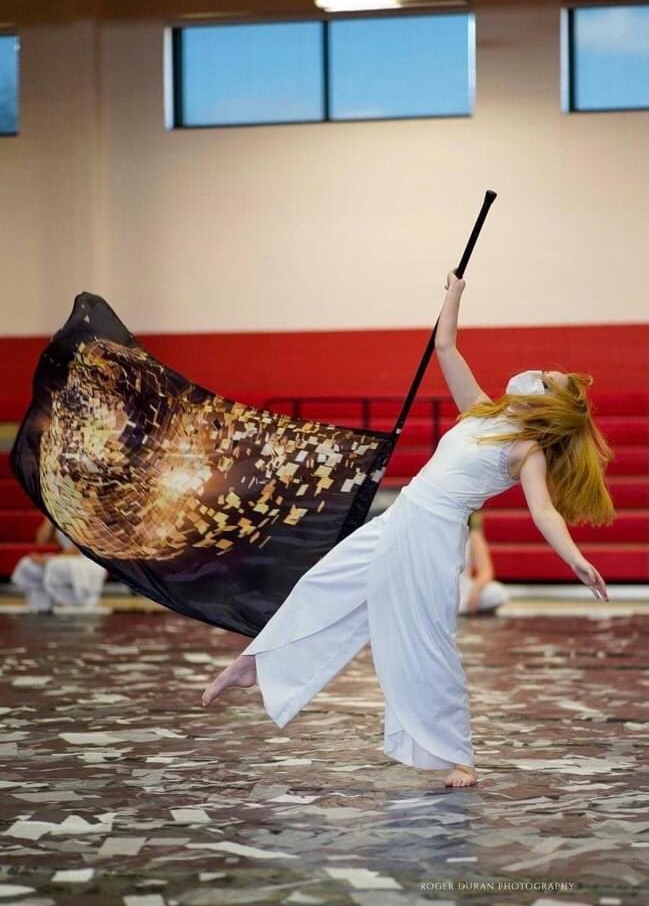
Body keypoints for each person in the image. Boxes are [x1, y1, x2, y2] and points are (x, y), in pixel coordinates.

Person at [202, 270, 614, 789]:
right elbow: (445, 347)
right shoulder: (480, 412)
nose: (534, 373)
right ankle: (261, 663)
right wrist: (456, 294)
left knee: (426, 641)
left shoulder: (524, 449)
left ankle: (458, 755)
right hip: (400, 517)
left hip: (434, 536)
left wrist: (573, 556)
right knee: (323, 583)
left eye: (546, 379)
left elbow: (544, 511)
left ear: (546, 403)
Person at [11, 517, 107, 613]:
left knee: (55, 566)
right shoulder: (57, 514)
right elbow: (41, 541)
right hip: (65, 558)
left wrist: (46, 560)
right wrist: (48, 518)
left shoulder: (81, 517)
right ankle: (40, 605)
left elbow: (77, 550)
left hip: (88, 560)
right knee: (28, 564)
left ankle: (69, 602)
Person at [458, 511, 510, 615]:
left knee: (498, 592)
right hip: (440, 589)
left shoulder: (473, 536)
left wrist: (475, 592)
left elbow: (486, 571)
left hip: (464, 589)